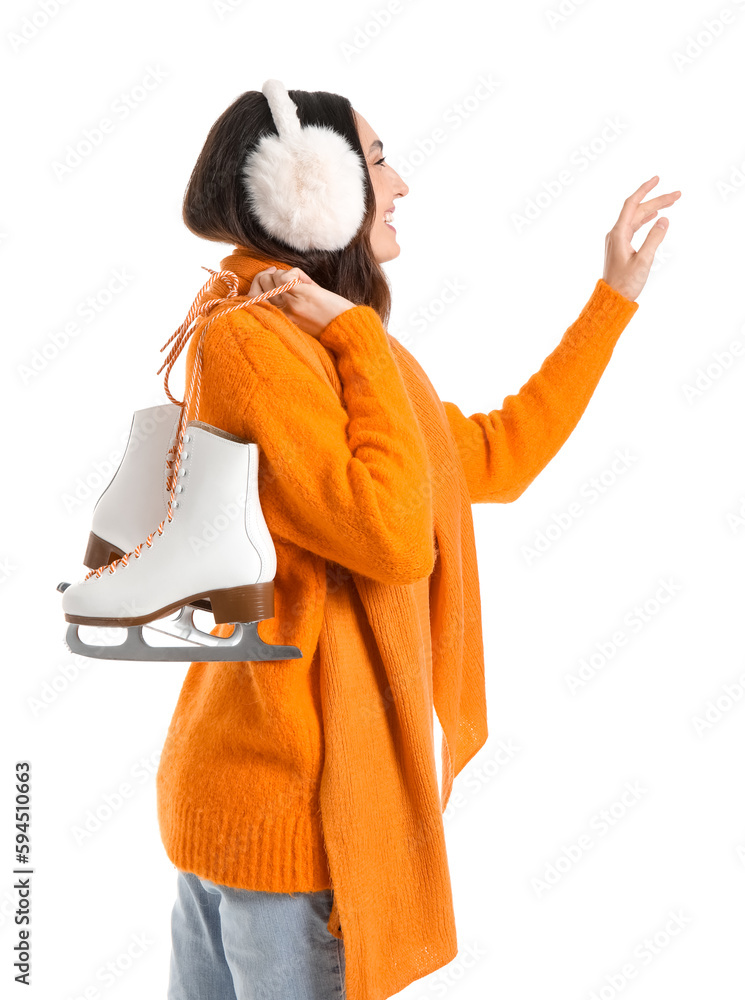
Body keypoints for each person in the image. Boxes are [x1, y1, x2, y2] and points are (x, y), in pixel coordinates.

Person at [158, 83, 681, 1000]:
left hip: (266, 811)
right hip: (286, 822)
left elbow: (494, 456)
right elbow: (395, 537)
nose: (399, 184)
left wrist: (612, 300)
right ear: (309, 191)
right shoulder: (256, 339)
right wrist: (357, 333)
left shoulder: (320, 343)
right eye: (377, 159)